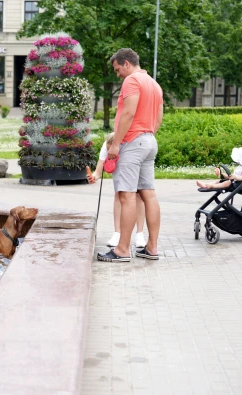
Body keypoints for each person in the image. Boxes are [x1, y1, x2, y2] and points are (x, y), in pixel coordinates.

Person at [97, 48, 163, 263]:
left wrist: (116, 144)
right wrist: (147, 136)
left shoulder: (132, 81)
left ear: (126, 63)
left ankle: (122, 250)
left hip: (132, 142)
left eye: (117, 69)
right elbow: (158, 118)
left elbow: (128, 113)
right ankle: (152, 247)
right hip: (149, 140)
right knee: (149, 195)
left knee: (126, 196)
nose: (117, 74)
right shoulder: (153, 84)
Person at [88, 132, 147, 248]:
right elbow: (98, 170)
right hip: (120, 166)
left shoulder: (129, 145)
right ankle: (117, 233)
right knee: (118, 194)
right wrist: (93, 176)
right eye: (109, 151)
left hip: (135, 162)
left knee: (139, 195)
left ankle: (139, 234)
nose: (110, 154)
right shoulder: (107, 146)